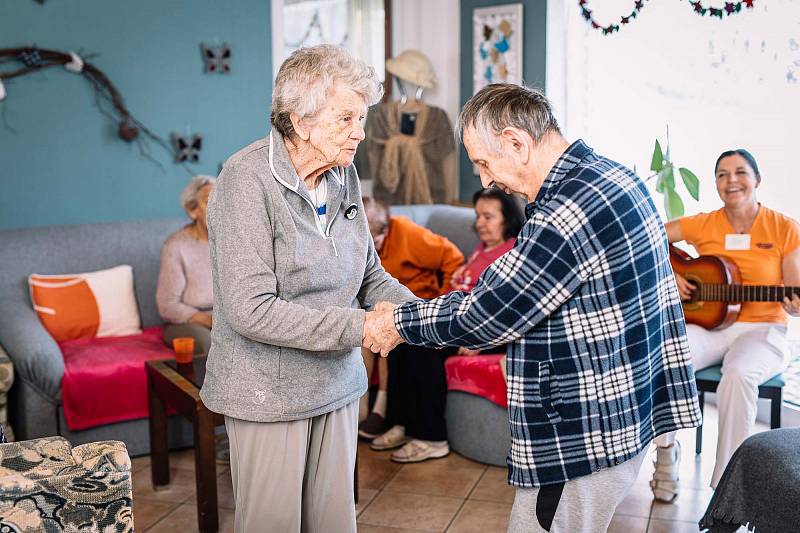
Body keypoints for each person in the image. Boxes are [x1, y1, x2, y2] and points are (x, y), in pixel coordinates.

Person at [362, 83, 702, 533]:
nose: (485, 181)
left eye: (483, 162)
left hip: (584, 434)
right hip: (627, 414)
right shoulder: (618, 177)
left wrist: (398, 322)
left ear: (516, 143)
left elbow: (489, 312)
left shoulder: (564, 213)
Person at [199, 45, 414, 533]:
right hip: (267, 393)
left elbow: (368, 275)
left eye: (360, 117)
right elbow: (250, 311)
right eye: (346, 119)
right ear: (300, 121)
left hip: (337, 384)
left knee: (334, 522)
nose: (360, 132)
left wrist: (418, 316)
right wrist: (364, 325)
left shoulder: (344, 174)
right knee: (273, 524)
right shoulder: (244, 180)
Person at [651, 149, 800, 501]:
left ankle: (727, 490)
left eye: (740, 172)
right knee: (667, 354)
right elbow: (647, 236)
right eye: (722, 174)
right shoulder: (704, 223)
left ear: (757, 180)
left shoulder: (784, 228)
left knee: (738, 375)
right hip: (709, 325)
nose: (731, 180)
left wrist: (795, 304)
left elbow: (795, 295)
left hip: (762, 330)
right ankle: (665, 455)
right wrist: (669, 275)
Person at [368, 187, 524, 463]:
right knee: (404, 339)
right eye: (478, 216)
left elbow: (510, 308)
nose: (480, 223)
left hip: (482, 334)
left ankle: (432, 438)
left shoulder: (511, 252)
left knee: (422, 350)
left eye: (488, 217)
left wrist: (482, 340)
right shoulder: (480, 251)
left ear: (508, 219)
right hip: (459, 324)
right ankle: (402, 423)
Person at [358, 196, 464, 439]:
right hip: (380, 305)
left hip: (417, 302)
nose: (371, 250)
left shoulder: (406, 232)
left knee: (389, 336)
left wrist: (442, 302)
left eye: (374, 242)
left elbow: (452, 257)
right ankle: (361, 411)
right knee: (362, 334)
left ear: (384, 230)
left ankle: (382, 409)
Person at [156, 175, 216, 355]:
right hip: (187, 322)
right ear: (193, 210)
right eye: (209, 201)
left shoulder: (234, 241)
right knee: (210, 343)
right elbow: (167, 306)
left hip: (227, 320)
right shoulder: (175, 246)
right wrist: (210, 321)